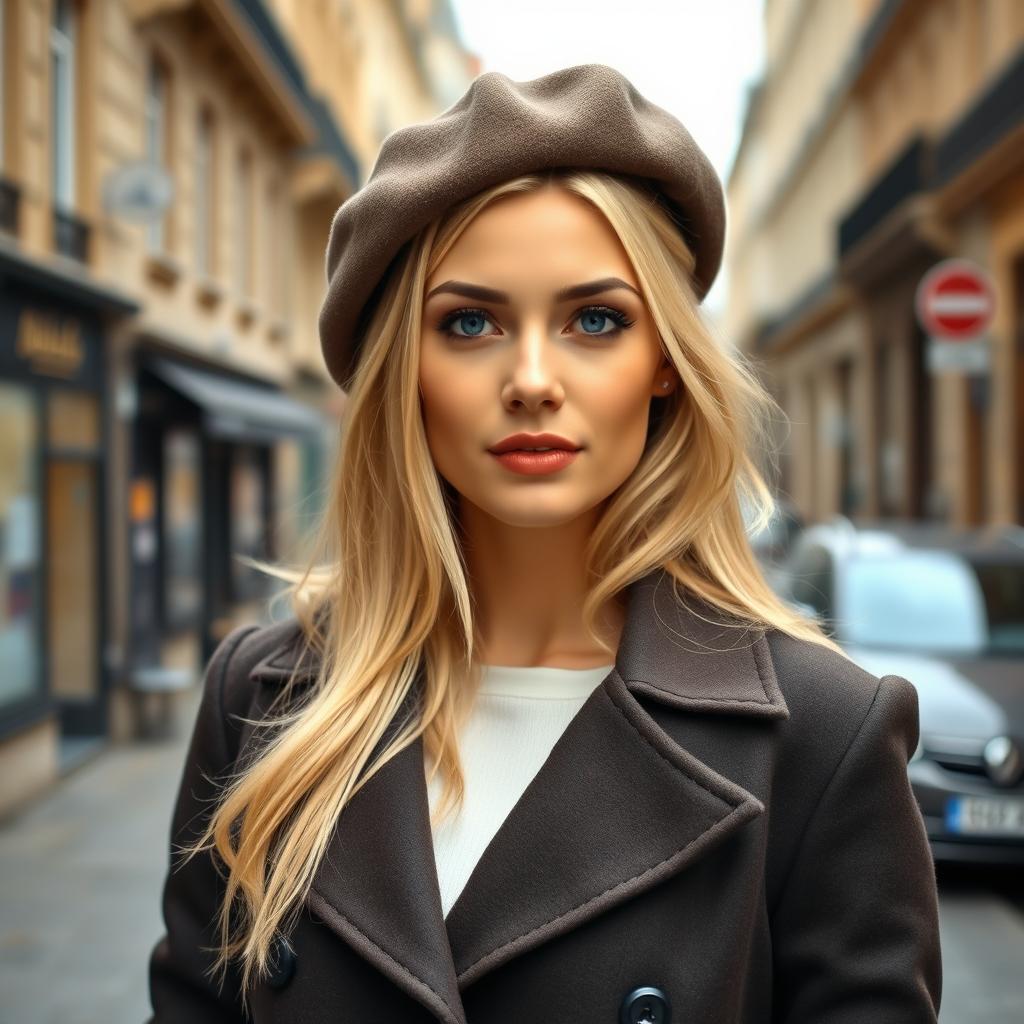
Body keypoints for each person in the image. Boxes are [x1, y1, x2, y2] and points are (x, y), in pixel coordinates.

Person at [147, 65, 942, 1023]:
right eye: (470, 322)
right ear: (408, 370)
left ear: (663, 366)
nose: (531, 379)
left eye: (594, 320)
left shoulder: (820, 736)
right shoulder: (264, 698)